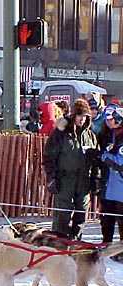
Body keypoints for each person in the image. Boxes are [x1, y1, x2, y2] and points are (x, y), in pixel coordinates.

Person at [43, 99, 99, 239]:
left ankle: (75, 241)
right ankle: (59, 242)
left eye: (85, 116)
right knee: (63, 213)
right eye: (80, 115)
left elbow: (97, 160)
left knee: (81, 213)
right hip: (64, 179)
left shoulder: (90, 135)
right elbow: (49, 156)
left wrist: (95, 179)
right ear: (74, 115)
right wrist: (51, 177)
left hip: (83, 180)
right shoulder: (61, 134)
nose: (82, 119)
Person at [97, 104, 123, 261]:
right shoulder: (108, 133)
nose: (108, 122)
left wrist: (103, 156)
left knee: (121, 218)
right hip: (108, 184)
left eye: (111, 119)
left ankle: (121, 249)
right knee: (106, 217)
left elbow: (120, 162)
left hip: (120, 185)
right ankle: (106, 244)